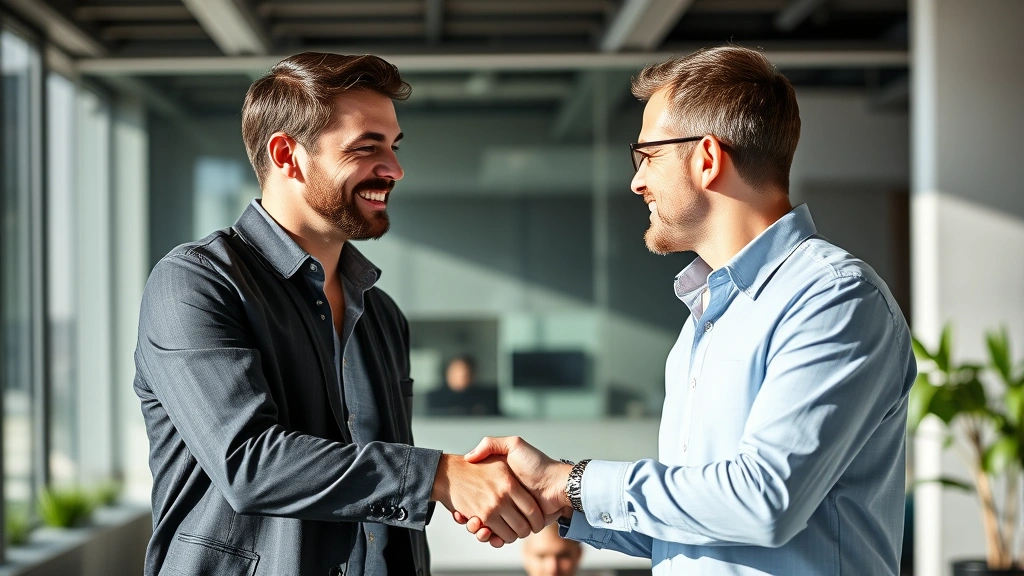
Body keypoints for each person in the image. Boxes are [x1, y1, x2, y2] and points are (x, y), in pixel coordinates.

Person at [457, 46, 916, 575]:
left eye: (647, 155)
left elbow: (764, 502)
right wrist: (554, 500)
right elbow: (695, 526)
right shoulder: (705, 317)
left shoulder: (833, 299)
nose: (636, 182)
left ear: (706, 158)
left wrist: (573, 481)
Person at [134, 52, 545, 576]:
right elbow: (249, 465)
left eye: (393, 147)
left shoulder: (381, 314)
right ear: (287, 155)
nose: (394, 169)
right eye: (367, 147)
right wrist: (438, 475)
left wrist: (468, 484)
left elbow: (382, 497)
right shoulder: (196, 283)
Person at [425, 355, 501, 416]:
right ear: (447, 373)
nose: (461, 376)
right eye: (457, 372)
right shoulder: (434, 398)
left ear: (473, 374)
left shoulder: (488, 396)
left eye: (466, 373)